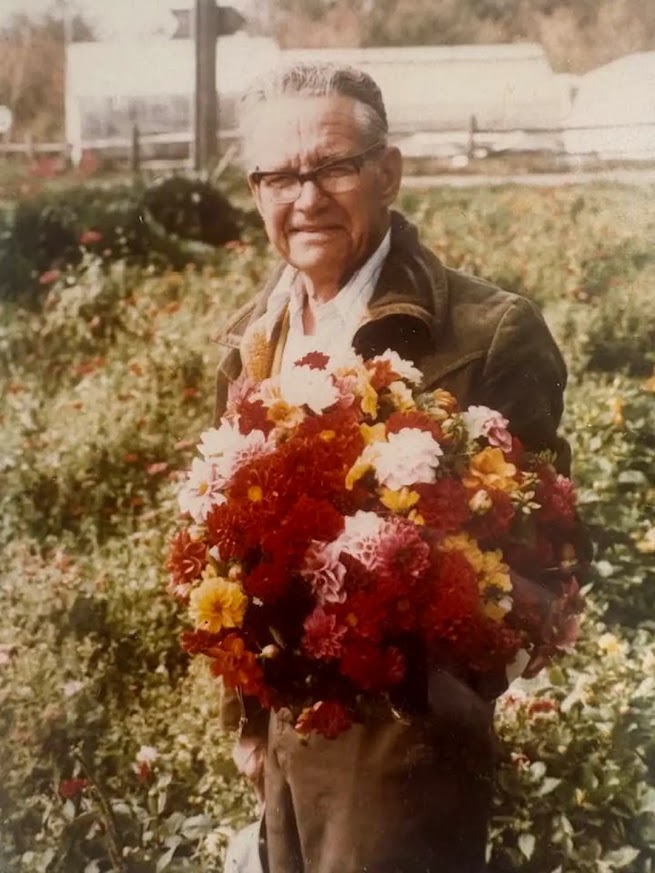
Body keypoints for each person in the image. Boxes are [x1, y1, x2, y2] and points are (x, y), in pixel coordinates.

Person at [213, 61, 576, 873]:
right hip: (282, 736)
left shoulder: (485, 331)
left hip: (406, 747)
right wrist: (248, 716)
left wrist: (431, 700)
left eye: (334, 166)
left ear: (388, 172)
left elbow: (544, 558)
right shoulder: (251, 336)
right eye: (280, 176)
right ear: (255, 189)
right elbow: (229, 545)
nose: (306, 197)